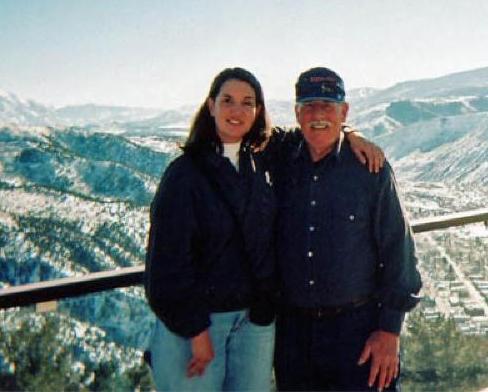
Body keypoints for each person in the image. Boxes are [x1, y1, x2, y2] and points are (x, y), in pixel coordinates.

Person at [145, 67, 382, 391]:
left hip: (253, 323)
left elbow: (315, 130)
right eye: (227, 100)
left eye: (248, 102)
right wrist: (195, 331)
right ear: (211, 106)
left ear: (258, 111)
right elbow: (165, 267)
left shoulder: (263, 158)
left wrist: (350, 134)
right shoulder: (184, 175)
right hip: (196, 324)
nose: (237, 110)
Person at [273, 67, 422, 392]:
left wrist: (390, 331)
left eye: (328, 105)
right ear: (297, 113)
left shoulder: (370, 170)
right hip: (294, 338)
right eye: (309, 106)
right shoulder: (281, 162)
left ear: (344, 111)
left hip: (359, 334)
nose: (318, 115)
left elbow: (399, 250)